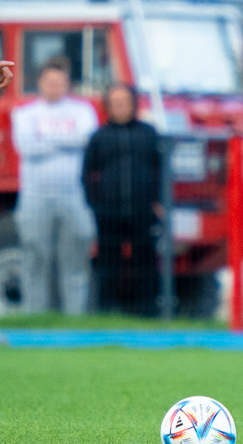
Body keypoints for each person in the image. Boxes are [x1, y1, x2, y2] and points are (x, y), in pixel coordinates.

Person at [11, 56, 99, 314]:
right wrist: (66, 141)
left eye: (59, 82)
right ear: (40, 83)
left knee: (75, 259)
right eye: (50, 82)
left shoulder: (82, 111)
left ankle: (75, 317)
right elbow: (27, 146)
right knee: (35, 257)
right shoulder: (25, 113)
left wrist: (46, 139)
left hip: (73, 195)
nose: (54, 87)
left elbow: (87, 139)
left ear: (67, 84)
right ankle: (35, 315)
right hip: (34, 196)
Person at [83, 83, 161, 317]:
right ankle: (107, 311)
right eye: (115, 103)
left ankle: (147, 311)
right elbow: (87, 174)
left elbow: (162, 169)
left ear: (134, 104)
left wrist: (158, 201)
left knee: (145, 260)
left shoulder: (148, 134)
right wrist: (94, 203)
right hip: (108, 211)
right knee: (108, 262)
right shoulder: (99, 137)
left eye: (124, 102)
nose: (120, 107)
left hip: (142, 209)